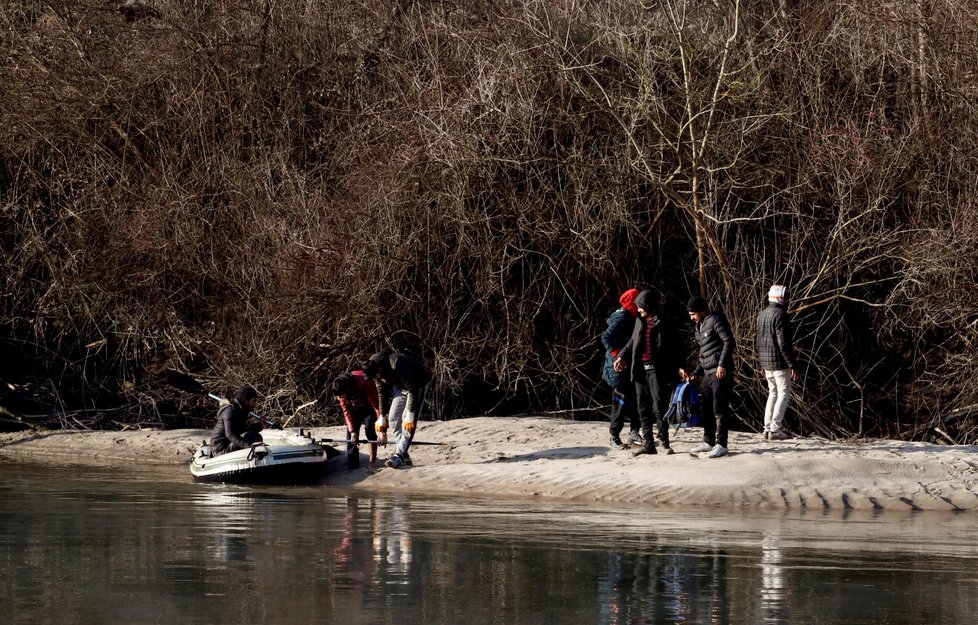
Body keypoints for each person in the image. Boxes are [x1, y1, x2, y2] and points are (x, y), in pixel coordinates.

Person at [613, 289, 680, 456]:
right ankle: (649, 444)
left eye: (640, 307)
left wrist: (679, 367)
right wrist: (621, 357)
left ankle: (664, 442)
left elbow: (676, 348)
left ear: (648, 306)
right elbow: (632, 342)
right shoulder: (639, 321)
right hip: (640, 370)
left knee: (659, 407)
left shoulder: (665, 322)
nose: (639, 310)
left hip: (657, 371)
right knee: (642, 408)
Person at [681, 296, 736, 458]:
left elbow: (729, 341)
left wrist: (722, 364)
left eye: (693, 314)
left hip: (720, 372)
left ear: (702, 310)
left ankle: (721, 444)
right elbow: (704, 354)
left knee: (720, 408)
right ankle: (709, 441)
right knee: (706, 408)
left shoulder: (716, 320)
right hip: (707, 373)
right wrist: (695, 373)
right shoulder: (699, 326)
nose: (691, 317)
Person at [362, 351, 428, 469]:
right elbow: (382, 394)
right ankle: (405, 456)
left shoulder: (398, 364)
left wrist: (410, 413)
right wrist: (382, 416)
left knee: (406, 422)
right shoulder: (374, 370)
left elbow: (413, 389)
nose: (376, 379)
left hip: (417, 386)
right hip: (400, 388)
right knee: (392, 419)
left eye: (376, 376)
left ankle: (399, 455)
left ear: (379, 370)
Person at [756, 284, 801, 440]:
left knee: (773, 393)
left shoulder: (762, 314)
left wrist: (761, 363)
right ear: (782, 298)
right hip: (780, 362)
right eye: (787, 296)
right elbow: (784, 344)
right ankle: (775, 428)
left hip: (766, 363)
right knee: (783, 392)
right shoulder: (781, 315)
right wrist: (792, 365)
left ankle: (767, 428)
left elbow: (759, 342)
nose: (789, 300)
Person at [601, 288, 643, 449]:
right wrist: (618, 355)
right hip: (617, 368)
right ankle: (614, 435)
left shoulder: (633, 316)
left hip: (630, 366)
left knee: (637, 398)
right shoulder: (622, 316)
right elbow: (606, 336)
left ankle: (634, 431)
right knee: (620, 400)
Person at [332, 370, 381, 466]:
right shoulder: (340, 391)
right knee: (351, 435)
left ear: (347, 389)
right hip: (354, 407)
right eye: (338, 396)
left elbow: (377, 407)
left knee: (369, 429)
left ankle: (373, 461)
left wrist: (382, 430)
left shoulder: (364, 382)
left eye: (341, 396)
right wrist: (353, 432)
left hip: (370, 406)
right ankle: (353, 464)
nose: (339, 398)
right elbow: (347, 412)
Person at [209, 385, 263, 456]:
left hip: (228, 444)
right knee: (250, 436)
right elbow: (230, 434)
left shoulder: (242, 410)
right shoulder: (230, 410)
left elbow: (243, 430)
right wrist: (248, 445)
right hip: (220, 449)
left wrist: (261, 425)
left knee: (257, 436)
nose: (255, 405)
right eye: (253, 401)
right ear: (246, 400)